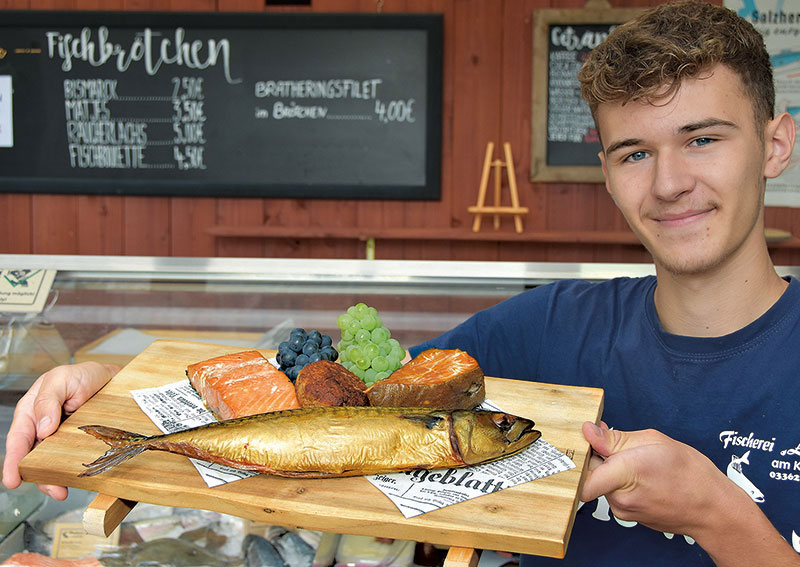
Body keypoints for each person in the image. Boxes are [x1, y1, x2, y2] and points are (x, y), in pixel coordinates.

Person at [3, 1, 800, 565]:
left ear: (774, 145)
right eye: (634, 152)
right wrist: (109, 387)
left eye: (702, 138)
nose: (667, 183)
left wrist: (716, 512)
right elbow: (328, 405)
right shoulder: (546, 329)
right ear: (607, 169)